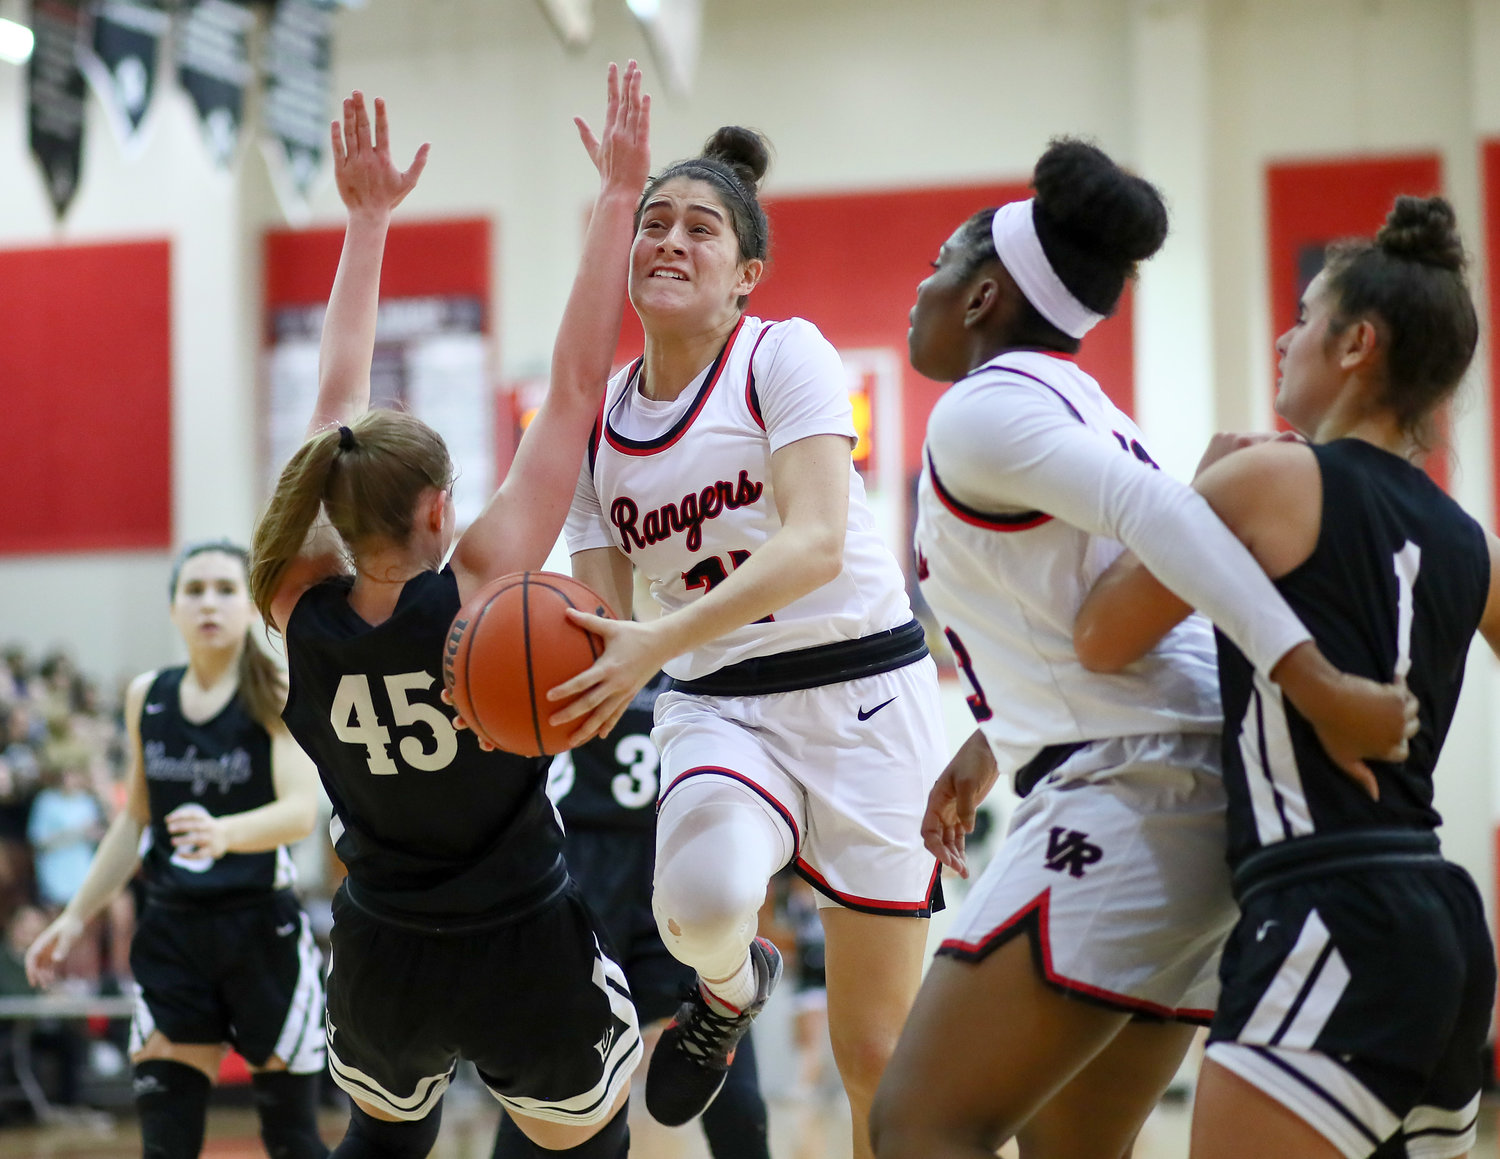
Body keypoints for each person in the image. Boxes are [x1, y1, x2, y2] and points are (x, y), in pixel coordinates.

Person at [864, 139, 1414, 1159]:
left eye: (940, 266)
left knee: (918, 1125)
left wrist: (1317, 682)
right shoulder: (1084, 407)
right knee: (1071, 1150)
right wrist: (991, 744)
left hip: (1132, 792)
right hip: (1191, 801)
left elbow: (1167, 519)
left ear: (985, 296)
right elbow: (1096, 596)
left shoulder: (982, 411)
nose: (921, 288)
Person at [247, 70, 650, 1159]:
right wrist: (618, 199)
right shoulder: (482, 585)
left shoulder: (296, 601)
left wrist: (366, 223)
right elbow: (574, 388)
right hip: (521, 933)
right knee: (585, 1136)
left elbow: (330, 407)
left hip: (384, 943)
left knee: (382, 1138)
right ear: (439, 507)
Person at [547, 124, 948, 1159]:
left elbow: (815, 544)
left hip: (865, 689)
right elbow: (604, 625)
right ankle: (727, 994)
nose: (670, 240)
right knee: (704, 898)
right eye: (653, 223)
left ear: (744, 275)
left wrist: (655, 638)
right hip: (722, 700)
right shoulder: (598, 427)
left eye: (700, 227)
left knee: (876, 1052)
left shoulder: (785, 352)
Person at [1071, 195, 1494, 1159]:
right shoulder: (1472, 542)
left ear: (1357, 346)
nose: (1283, 336)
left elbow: (1100, 636)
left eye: (1306, 316)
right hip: (1444, 924)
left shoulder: (1267, 478)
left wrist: (1181, 495)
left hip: (1325, 910)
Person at [24, 540, 329, 1159]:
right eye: (194, 590)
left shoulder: (274, 688)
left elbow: (301, 813)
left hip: (260, 930)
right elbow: (135, 818)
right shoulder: (149, 695)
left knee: (294, 1139)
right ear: (173, 610)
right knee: (166, 1144)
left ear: (250, 607)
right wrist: (74, 918)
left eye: (224, 589)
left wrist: (226, 833)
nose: (209, 602)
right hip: (175, 932)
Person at [502, 668, 769, 1159]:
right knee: (545, 1078)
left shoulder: (705, 632)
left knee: (731, 1071)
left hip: (680, 847)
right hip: (582, 855)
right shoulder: (572, 620)